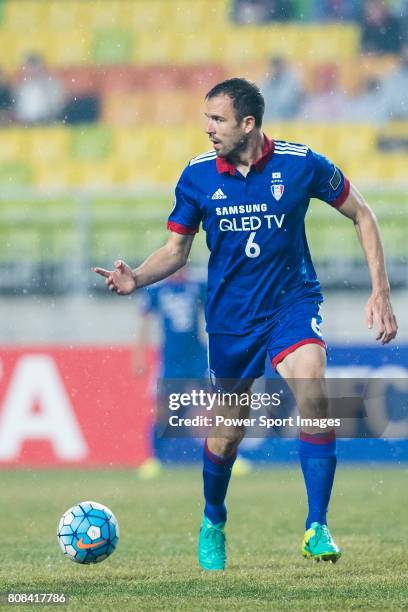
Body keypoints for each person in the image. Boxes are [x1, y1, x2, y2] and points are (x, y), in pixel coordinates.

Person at [94, 78, 397, 571]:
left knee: (313, 389)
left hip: (291, 303)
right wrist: (139, 279)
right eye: (206, 118)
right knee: (228, 433)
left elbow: (362, 215)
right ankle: (213, 517)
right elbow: (176, 250)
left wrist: (379, 291)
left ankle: (316, 524)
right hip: (231, 320)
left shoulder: (301, 164)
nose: (208, 128)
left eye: (218, 119)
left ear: (248, 123)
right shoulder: (196, 177)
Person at [134, 267, 208, 478]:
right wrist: (139, 356)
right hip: (170, 360)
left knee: (209, 410)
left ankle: (227, 457)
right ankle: (153, 458)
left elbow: (214, 313)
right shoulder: (156, 291)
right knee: (162, 412)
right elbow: (143, 321)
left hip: (197, 359)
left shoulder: (197, 286)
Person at [14, 53, 66, 125]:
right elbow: (18, 110)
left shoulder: (52, 84)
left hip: (49, 123)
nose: (30, 70)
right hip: (27, 125)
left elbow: (58, 106)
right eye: (27, 67)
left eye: (33, 67)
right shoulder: (21, 87)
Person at [261, 57, 303, 122]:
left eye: (278, 67)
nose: (275, 70)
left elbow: (285, 103)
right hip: (270, 124)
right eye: (273, 67)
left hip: (289, 123)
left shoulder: (292, 83)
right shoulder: (266, 84)